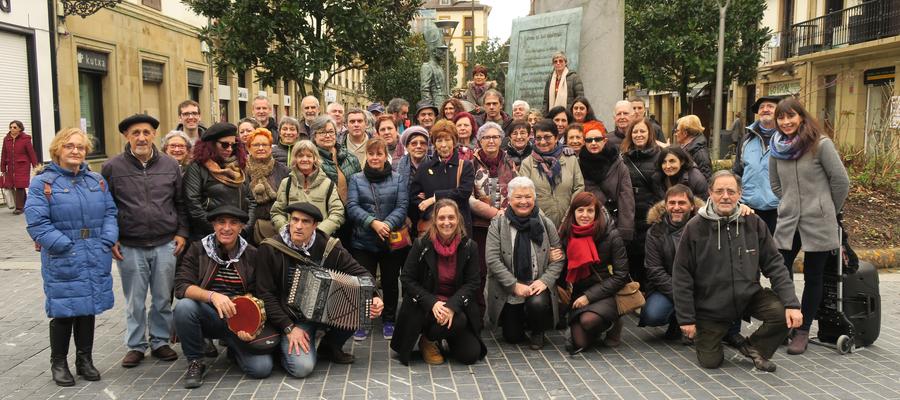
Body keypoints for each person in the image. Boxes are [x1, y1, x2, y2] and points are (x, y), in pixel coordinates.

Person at [674, 171, 802, 372]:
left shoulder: (753, 222)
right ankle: (716, 335)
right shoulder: (695, 227)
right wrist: (686, 318)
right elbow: (682, 275)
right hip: (711, 305)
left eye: (731, 191)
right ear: (710, 193)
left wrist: (792, 304)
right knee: (711, 363)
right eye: (719, 191)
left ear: (740, 193)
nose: (725, 196)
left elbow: (776, 265)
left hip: (747, 296)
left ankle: (753, 347)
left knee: (782, 313)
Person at [25, 128, 117, 386]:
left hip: (94, 252)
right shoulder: (43, 183)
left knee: (88, 309)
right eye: (69, 146)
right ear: (58, 150)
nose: (75, 151)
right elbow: (37, 223)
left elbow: (110, 212)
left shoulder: (96, 180)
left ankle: (84, 360)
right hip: (63, 256)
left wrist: (107, 240)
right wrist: (65, 246)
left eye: (80, 147)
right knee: (64, 310)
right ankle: (59, 362)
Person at [255, 202, 384, 377]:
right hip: (290, 318)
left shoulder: (329, 246)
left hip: (323, 310)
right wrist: (289, 328)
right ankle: (281, 348)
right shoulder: (270, 248)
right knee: (302, 368)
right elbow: (265, 294)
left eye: (306, 221)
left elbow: (361, 272)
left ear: (315, 225)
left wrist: (374, 296)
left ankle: (330, 347)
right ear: (289, 221)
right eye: (295, 220)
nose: (299, 226)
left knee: (364, 306)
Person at [103, 114, 188, 368]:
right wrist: (112, 237)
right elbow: (106, 207)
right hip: (130, 245)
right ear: (127, 136)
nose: (141, 137)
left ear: (154, 136)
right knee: (134, 300)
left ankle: (160, 341)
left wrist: (181, 233)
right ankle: (136, 345)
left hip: (165, 243)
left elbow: (181, 203)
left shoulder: (170, 165)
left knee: (162, 297)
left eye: (146, 132)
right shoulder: (112, 167)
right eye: (135, 133)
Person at [769, 98, 850, 355]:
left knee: (814, 276)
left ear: (801, 117)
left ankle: (802, 331)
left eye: (790, 116)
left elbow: (840, 181)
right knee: (781, 271)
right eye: (781, 118)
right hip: (789, 218)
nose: (786, 122)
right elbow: (775, 183)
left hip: (819, 219)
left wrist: (827, 208)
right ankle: (786, 323)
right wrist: (788, 201)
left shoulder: (821, 145)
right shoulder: (776, 147)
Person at [173, 206, 273, 388]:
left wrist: (250, 327)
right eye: (221, 222)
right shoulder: (197, 249)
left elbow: (260, 294)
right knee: (184, 307)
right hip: (207, 316)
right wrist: (212, 296)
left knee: (262, 369)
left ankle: (233, 348)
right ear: (213, 225)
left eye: (233, 223)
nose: (226, 228)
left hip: (238, 319)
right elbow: (181, 286)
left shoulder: (252, 254)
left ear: (242, 227)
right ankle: (195, 361)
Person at [391, 199, 487, 365]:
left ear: (458, 219)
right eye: (441, 218)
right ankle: (427, 340)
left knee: (470, 355)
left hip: (455, 305)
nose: (447, 222)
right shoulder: (421, 245)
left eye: (451, 217)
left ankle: (443, 336)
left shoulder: (469, 246)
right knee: (458, 320)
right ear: (435, 220)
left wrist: (451, 306)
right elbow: (406, 278)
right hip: (424, 306)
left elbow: (473, 282)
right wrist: (433, 303)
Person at [485, 176, 563, 349]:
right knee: (512, 337)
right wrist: (514, 285)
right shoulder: (497, 224)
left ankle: (538, 330)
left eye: (528, 197)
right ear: (509, 199)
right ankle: (520, 319)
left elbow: (559, 257)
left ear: (534, 198)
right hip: (510, 288)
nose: (523, 202)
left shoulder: (546, 223)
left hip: (537, 284)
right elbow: (492, 260)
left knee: (537, 304)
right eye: (518, 197)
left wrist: (545, 281)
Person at [345, 138, 409, 341]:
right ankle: (363, 320)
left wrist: (387, 224)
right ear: (366, 155)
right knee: (364, 282)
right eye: (371, 154)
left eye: (379, 154)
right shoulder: (356, 179)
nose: (374, 157)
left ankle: (389, 320)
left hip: (391, 240)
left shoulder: (397, 178)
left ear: (385, 156)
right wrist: (373, 223)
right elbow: (352, 206)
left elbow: (402, 206)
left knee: (390, 282)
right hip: (363, 240)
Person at [558, 192, 628, 354]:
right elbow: (561, 269)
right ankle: (591, 329)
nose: (585, 215)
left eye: (590, 211)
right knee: (576, 344)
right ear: (573, 212)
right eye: (580, 210)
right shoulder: (566, 235)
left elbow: (621, 275)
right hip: (577, 293)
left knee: (588, 321)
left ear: (597, 213)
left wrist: (588, 296)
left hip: (606, 292)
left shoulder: (611, 235)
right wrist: (553, 257)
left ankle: (613, 322)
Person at [640, 184, 703, 341]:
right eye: (672, 203)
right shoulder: (655, 232)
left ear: (692, 206)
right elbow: (654, 270)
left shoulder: (706, 227)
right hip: (667, 287)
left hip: (699, 287)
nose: (676, 207)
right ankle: (677, 319)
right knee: (653, 314)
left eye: (681, 203)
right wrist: (682, 295)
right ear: (665, 205)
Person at [469, 122, 518, 311]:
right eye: (486, 137)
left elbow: (517, 189)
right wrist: (494, 213)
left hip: (507, 224)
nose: (491, 141)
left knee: (506, 268)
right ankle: (479, 311)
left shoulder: (510, 162)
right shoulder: (471, 163)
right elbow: (469, 198)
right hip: (480, 226)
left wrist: (507, 213)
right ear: (480, 140)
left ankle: (506, 311)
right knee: (480, 270)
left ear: (501, 140)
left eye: (495, 137)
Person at [183, 122, 257, 242]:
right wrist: (219, 231)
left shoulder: (239, 167)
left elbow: (251, 201)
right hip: (207, 236)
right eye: (224, 145)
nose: (229, 149)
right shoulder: (198, 168)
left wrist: (245, 229)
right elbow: (193, 204)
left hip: (239, 236)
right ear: (211, 144)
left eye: (233, 145)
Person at [409, 120, 475, 236]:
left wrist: (434, 198)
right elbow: (414, 198)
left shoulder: (465, 166)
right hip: (432, 229)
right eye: (439, 140)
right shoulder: (424, 168)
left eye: (448, 139)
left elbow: (464, 192)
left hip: (460, 229)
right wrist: (432, 213)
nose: (443, 145)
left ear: (454, 142)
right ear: (434, 143)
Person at [620, 118, 663, 289]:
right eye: (635, 132)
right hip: (629, 215)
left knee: (650, 258)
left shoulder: (660, 156)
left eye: (642, 131)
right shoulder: (623, 157)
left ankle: (650, 296)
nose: (639, 135)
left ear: (650, 133)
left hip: (650, 216)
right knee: (631, 260)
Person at [518, 119, 584, 228]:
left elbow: (579, 187)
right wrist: (543, 220)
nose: (543, 142)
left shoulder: (570, 160)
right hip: (538, 224)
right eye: (538, 138)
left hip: (568, 223)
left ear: (556, 137)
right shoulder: (527, 164)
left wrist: (568, 216)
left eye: (547, 137)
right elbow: (523, 194)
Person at [270, 140, 344, 236]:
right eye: (300, 156)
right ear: (295, 159)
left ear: (315, 159)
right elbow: (277, 212)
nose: (305, 159)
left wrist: (319, 233)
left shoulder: (327, 184)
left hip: (319, 241)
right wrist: (287, 230)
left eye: (309, 156)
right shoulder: (286, 183)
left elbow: (338, 212)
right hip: (292, 240)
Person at [733, 96, 782, 233]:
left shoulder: (787, 140)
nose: (765, 109)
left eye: (770, 106)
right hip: (748, 208)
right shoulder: (747, 139)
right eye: (762, 107)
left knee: (774, 251)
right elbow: (737, 171)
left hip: (777, 210)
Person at [578, 126, 635, 242]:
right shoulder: (578, 164)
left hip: (613, 224)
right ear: (584, 143)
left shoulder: (618, 164)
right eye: (589, 140)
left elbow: (626, 198)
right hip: (586, 223)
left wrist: (625, 231)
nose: (593, 143)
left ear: (605, 141)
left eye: (597, 139)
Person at [245, 128, 290, 244]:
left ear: (271, 148)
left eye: (264, 144)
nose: (261, 148)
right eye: (256, 145)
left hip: (277, 230)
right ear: (249, 148)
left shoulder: (284, 171)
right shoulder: (241, 171)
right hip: (247, 230)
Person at [312, 115, 361, 206]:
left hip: (352, 212)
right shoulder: (311, 161)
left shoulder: (350, 158)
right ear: (314, 136)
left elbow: (361, 187)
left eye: (331, 132)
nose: (327, 136)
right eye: (322, 132)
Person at [2, 120, 38, 214]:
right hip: (10, 166)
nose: (12, 129)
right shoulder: (7, 139)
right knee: (13, 185)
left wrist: (36, 166)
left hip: (22, 165)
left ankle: (19, 208)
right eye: (10, 127)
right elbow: (4, 154)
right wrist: (2, 168)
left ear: (20, 128)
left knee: (19, 185)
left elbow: (31, 153)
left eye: (14, 127)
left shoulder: (25, 139)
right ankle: (26, 204)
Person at [674, 115, 712, 179]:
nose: (675, 134)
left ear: (685, 133)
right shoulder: (688, 148)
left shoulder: (699, 153)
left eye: (677, 131)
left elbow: (705, 180)